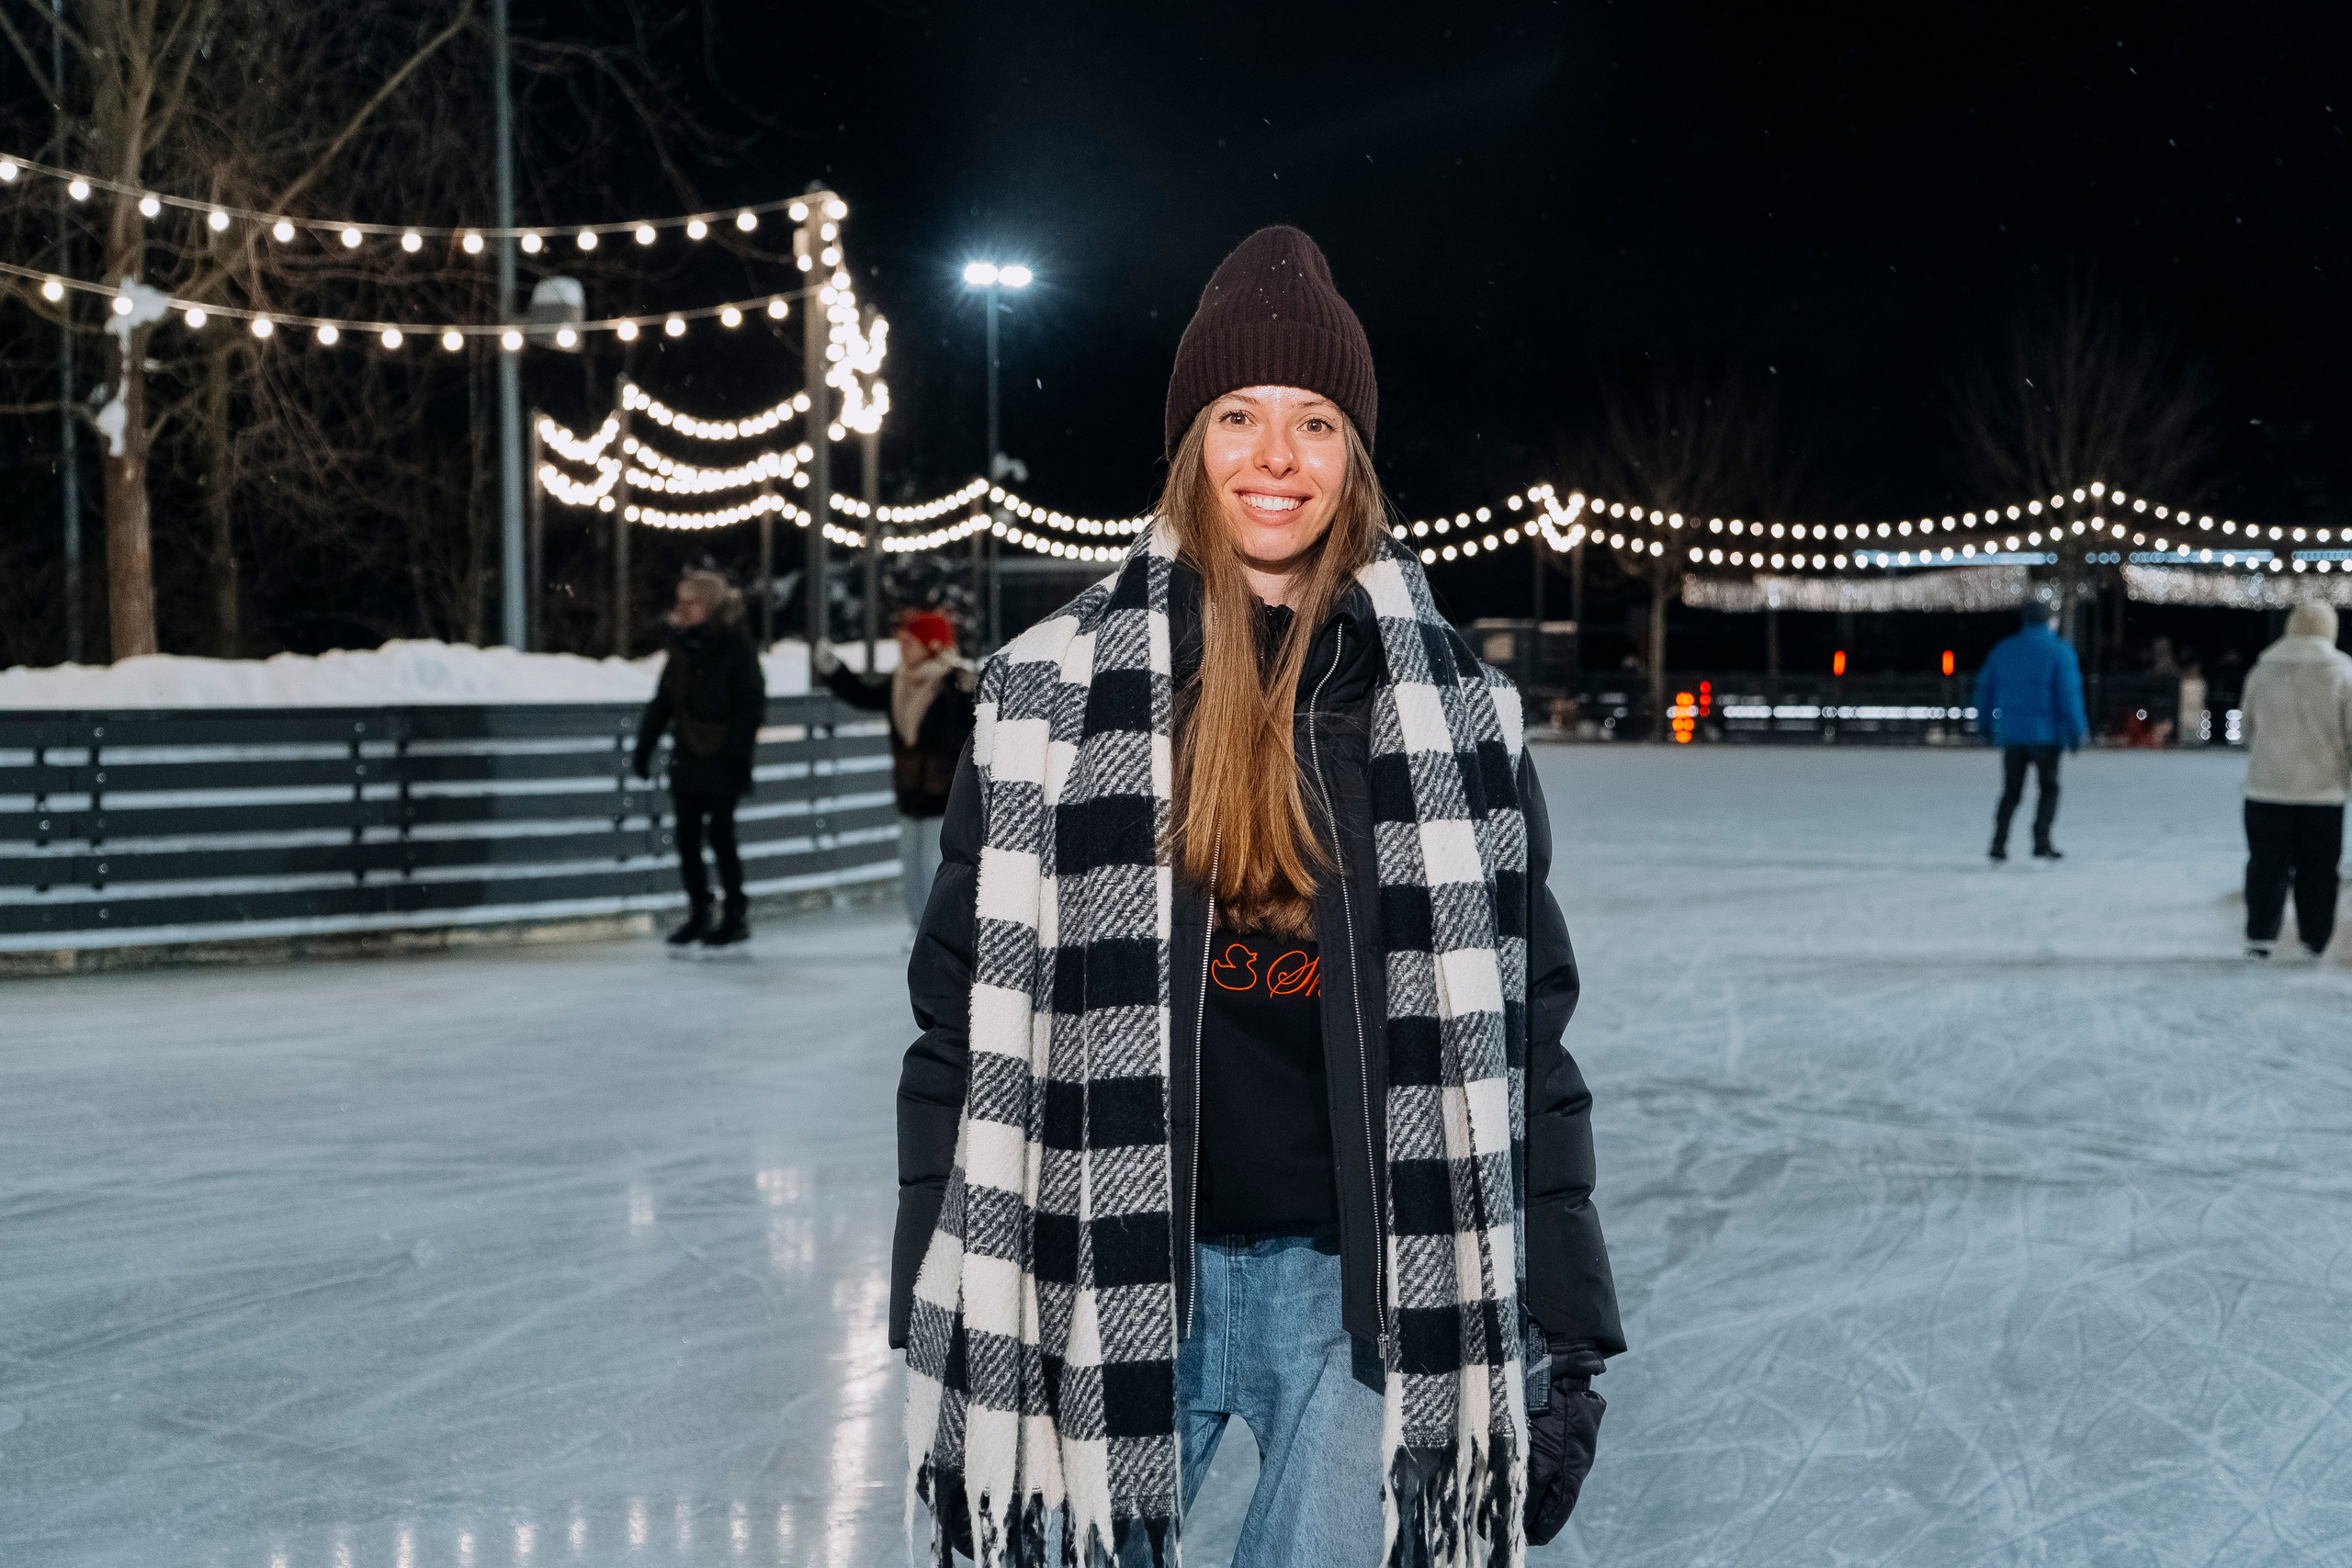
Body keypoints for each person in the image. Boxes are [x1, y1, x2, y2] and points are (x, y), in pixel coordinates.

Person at [892, 226, 1622, 1568]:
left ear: (1354, 458)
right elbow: (958, 1028)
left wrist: (1563, 1335)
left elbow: (1528, 1035)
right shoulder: (1047, 695)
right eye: (1238, 416)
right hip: (1099, 1269)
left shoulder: (1453, 708)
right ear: (1190, 443)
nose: (1274, 458)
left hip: (1360, 1290)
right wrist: (938, 1325)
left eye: (1314, 421)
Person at [813, 613, 978, 928]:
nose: (902, 649)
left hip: (946, 795)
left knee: (935, 866)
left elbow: (968, 732)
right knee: (911, 864)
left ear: (932, 645)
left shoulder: (953, 683)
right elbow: (863, 694)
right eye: (900, 642)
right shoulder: (899, 682)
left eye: (909, 643)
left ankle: (941, 931)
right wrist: (834, 670)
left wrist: (972, 693)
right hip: (910, 792)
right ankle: (919, 929)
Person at [633, 570, 765, 947]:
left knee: (721, 835)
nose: (681, 608)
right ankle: (700, 912)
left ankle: (735, 914)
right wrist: (645, 746)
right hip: (688, 754)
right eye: (679, 601)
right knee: (687, 837)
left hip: (723, 756)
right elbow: (664, 700)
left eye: (690, 601)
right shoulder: (680, 647)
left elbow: (751, 703)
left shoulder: (736, 645)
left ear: (709, 605)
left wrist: (739, 753)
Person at [2237, 601, 2352, 959]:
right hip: (2323, 792)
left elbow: (2245, 729)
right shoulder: (2343, 672)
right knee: (2318, 869)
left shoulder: (2262, 669)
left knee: (2265, 865)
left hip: (2266, 788)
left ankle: (2261, 936)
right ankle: (2314, 938)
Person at [1974, 601, 2088, 862]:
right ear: (2049, 620)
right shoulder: (2060, 652)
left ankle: (1998, 843)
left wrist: (1984, 724)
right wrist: (2076, 732)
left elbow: (1985, 689)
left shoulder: (2003, 650)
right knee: (2049, 788)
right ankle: (2041, 840)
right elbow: (2068, 697)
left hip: (2012, 735)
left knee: (2011, 791)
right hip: (2046, 736)